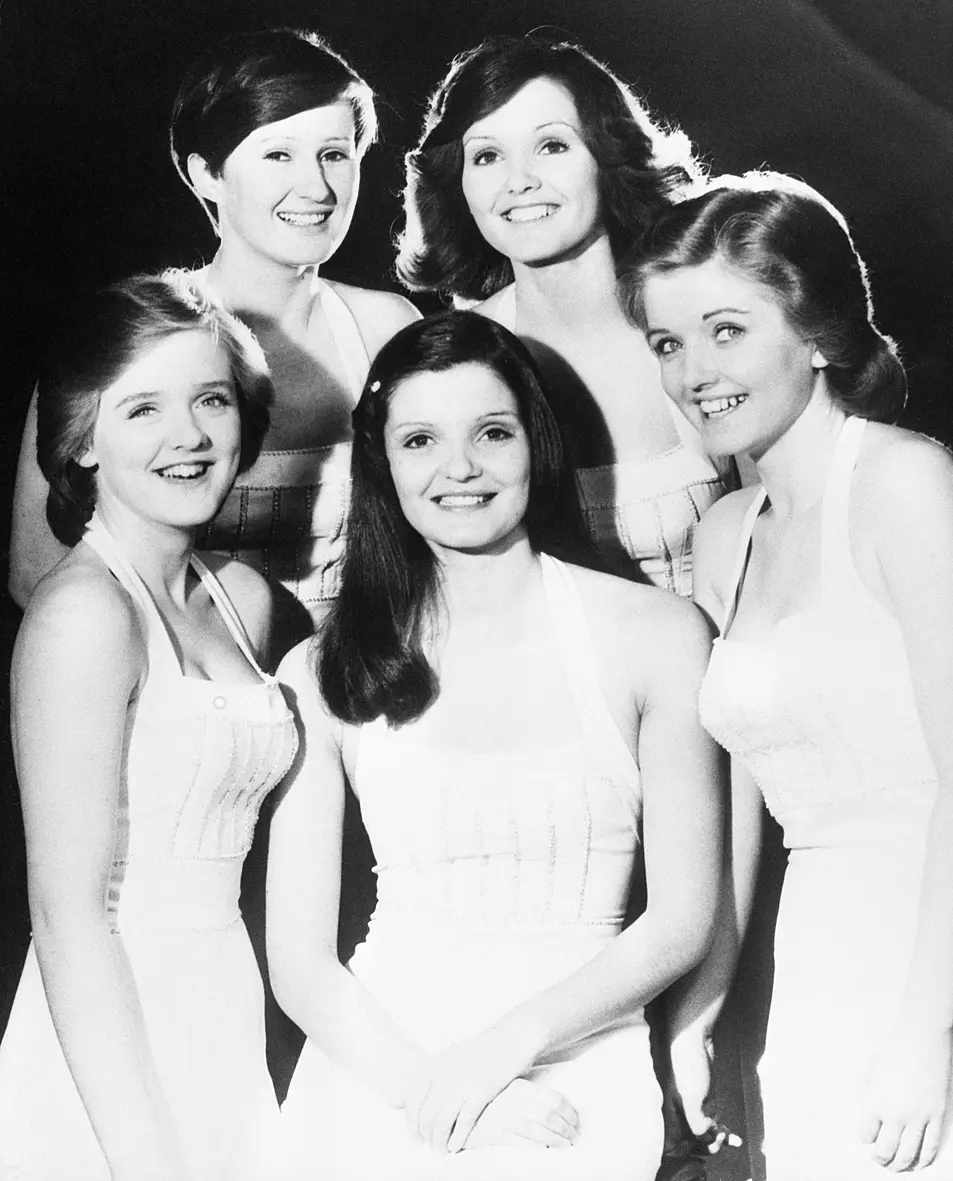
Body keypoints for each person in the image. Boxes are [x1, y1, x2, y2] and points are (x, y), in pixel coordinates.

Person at [267, 310, 722, 1180]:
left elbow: (681, 917)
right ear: (382, 460)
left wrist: (499, 1054)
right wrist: (431, 1088)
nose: (459, 468)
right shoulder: (319, 667)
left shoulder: (656, 634)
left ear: (535, 442)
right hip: (376, 1065)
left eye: (491, 432)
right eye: (420, 440)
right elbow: (298, 963)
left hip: (574, 1061)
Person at [625, 172, 953, 1180]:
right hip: (820, 957)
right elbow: (736, 811)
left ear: (813, 331)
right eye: (668, 343)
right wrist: (702, 1009)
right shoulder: (725, 532)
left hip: (925, 958)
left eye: (724, 330)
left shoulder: (903, 482)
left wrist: (923, 1034)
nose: (691, 373)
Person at [0, 273, 298, 1180]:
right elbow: (66, 914)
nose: (189, 437)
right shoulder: (84, 614)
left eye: (210, 399)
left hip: (224, 1002)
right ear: (82, 441)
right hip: (109, 1038)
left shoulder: (238, 598)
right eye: (142, 410)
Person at [10, 27, 419, 657]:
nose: (316, 189)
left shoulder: (387, 328)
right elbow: (35, 574)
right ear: (207, 174)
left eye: (335, 154)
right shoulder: (124, 337)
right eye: (278, 155)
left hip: (367, 685)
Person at [397, 35, 735, 597]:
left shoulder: (700, 323)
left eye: (551, 146)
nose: (518, 180)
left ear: (606, 159)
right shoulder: (450, 361)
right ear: (458, 184)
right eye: (486, 156)